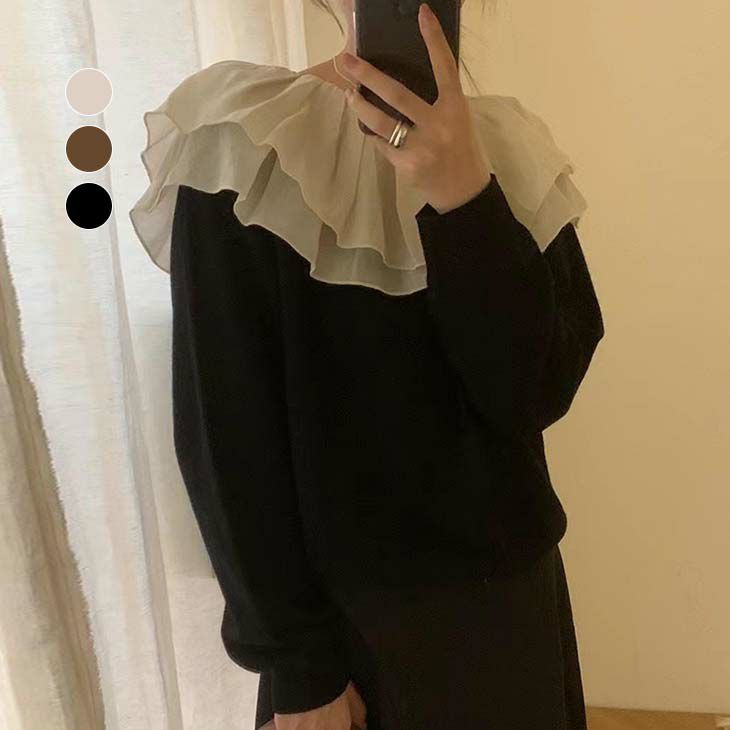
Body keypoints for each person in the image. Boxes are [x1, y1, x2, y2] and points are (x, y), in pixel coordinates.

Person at [129, 2, 605, 729]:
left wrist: (465, 199)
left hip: (510, 614)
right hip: (345, 644)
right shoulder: (248, 136)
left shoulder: (510, 150)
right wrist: (298, 667)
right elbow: (225, 427)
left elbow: (532, 393)